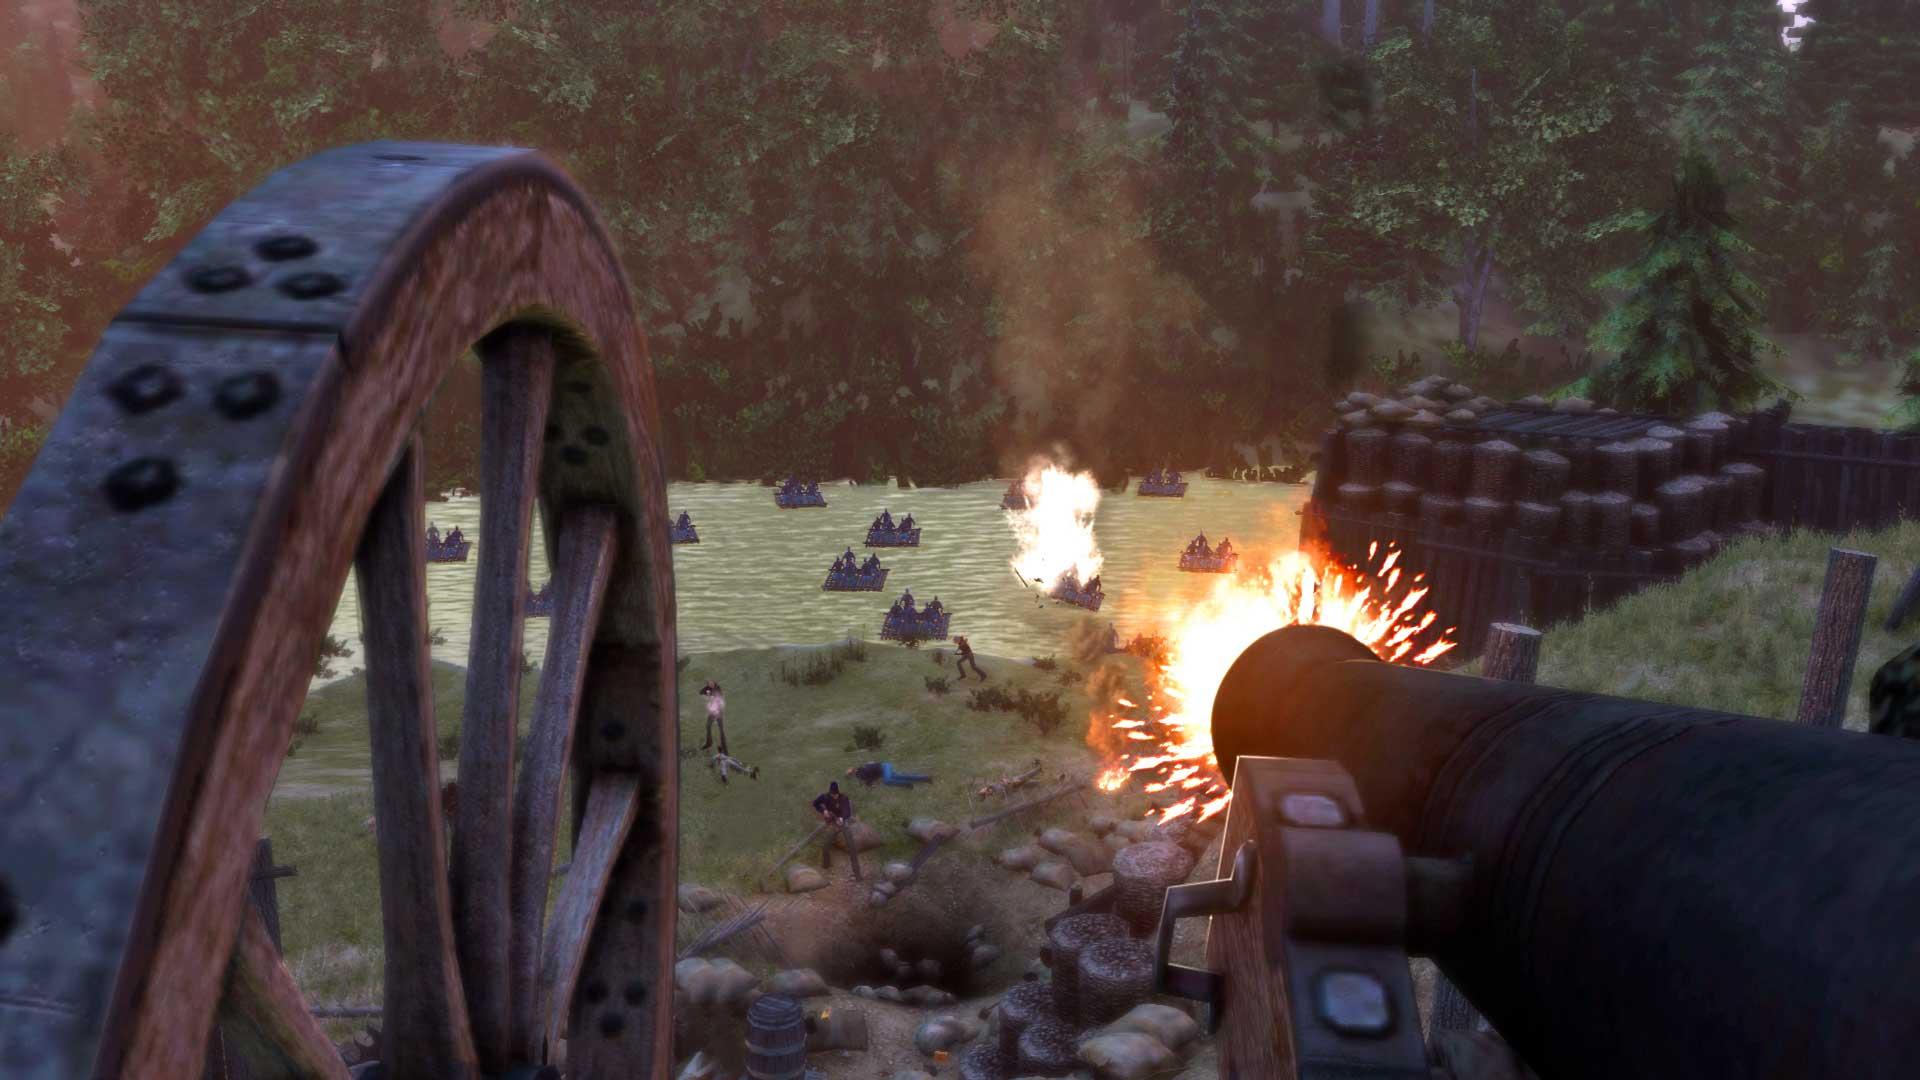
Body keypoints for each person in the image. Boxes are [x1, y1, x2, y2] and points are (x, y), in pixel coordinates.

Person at [812, 781, 855, 867]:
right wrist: (823, 811)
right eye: (832, 795)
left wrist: (842, 818)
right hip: (832, 821)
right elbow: (815, 803)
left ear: (838, 792)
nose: (834, 796)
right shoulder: (825, 797)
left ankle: (854, 865)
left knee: (850, 842)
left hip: (843, 820)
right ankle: (826, 865)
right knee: (826, 844)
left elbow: (847, 811)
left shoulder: (844, 798)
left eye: (835, 795)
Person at [848, 761, 934, 788]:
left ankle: (907, 784)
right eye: (851, 774)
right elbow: (869, 780)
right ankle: (926, 778)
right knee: (901, 776)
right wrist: (870, 784)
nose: (852, 774)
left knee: (887, 781)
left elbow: (870, 774)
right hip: (884, 770)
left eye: (852, 773)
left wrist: (870, 783)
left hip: (885, 767)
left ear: (855, 770)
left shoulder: (862, 770)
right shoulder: (859, 775)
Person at [698, 680, 728, 754]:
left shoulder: (717, 690)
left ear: (715, 684)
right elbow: (701, 692)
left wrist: (710, 695)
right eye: (709, 684)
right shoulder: (709, 689)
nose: (711, 685)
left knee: (720, 730)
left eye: (712, 684)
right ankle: (709, 742)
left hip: (718, 712)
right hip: (713, 711)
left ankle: (724, 748)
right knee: (708, 726)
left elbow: (718, 699)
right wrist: (707, 688)